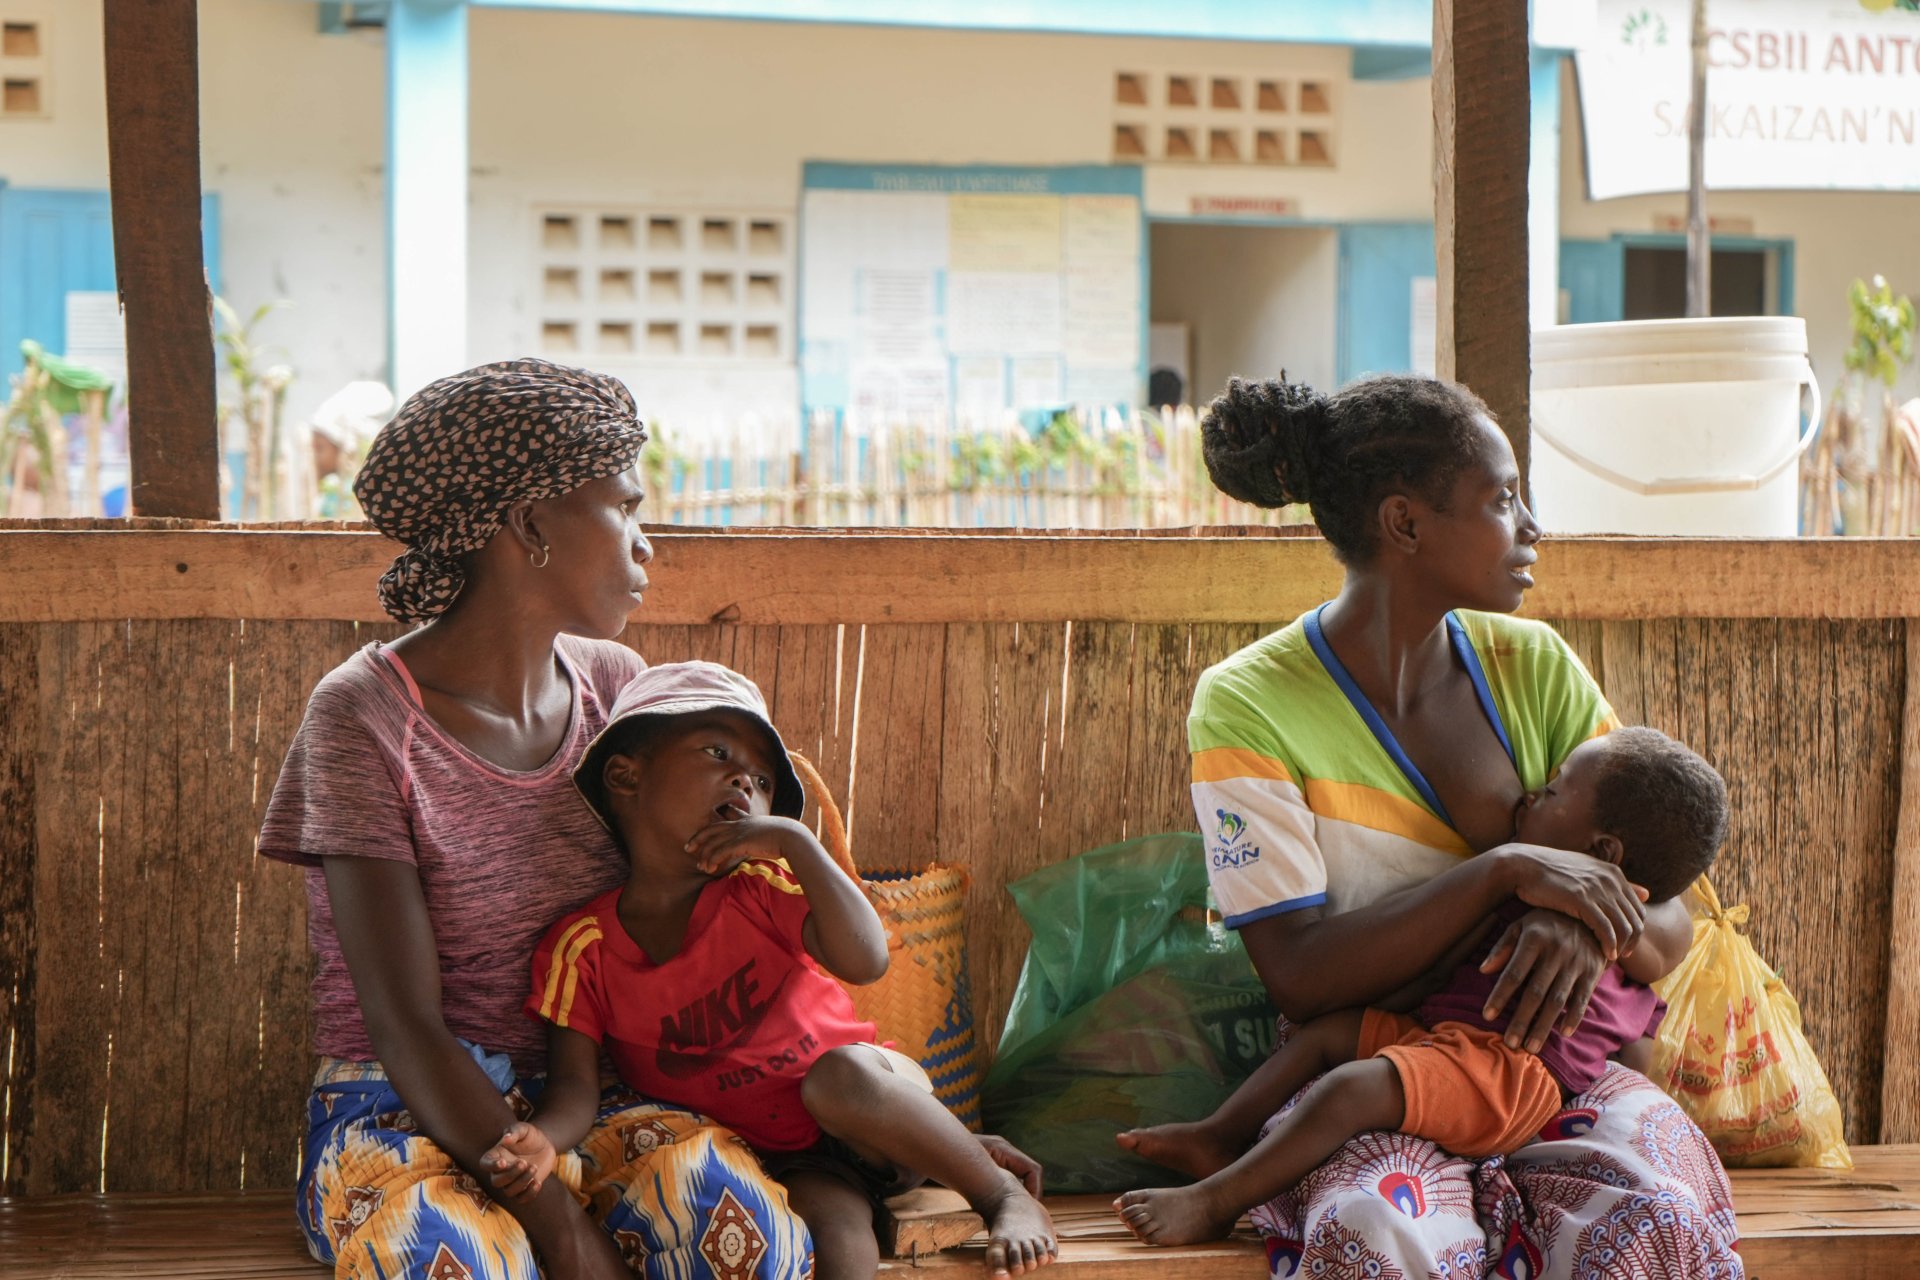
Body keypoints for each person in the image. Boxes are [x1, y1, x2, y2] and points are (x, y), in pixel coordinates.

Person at [1140, 374, 1742, 1279]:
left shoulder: (1531, 666)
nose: (1532, 525)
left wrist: (1575, 923)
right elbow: (1301, 977)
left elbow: (1669, 919)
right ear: (1406, 523)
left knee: (1649, 1215)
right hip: (1370, 1073)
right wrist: (1508, 874)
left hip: (1555, 1068)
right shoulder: (1250, 704)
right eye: (1503, 499)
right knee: (1382, 1230)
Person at [259, 360, 812, 1280]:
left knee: (745, 1231)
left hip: (595, 1086)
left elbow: (707, 921)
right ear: (528, 524)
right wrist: (563, 1229)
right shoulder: (365, 717)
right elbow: (403, 1027)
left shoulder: (617, 696)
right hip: (404, 1106)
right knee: (448, 1263)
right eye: (625, 509)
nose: (646, 544)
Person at [480, 660, 1058, 1280]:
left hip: (870, 1105)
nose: (744, 781)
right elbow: (575, 1089)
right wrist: (545, 1138)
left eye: (761, 780)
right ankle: (953, 1157)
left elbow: (866, 960)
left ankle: (1000, 1192)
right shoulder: (582, 947)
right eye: (717, 751)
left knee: (834, 1077)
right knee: (832, 1236)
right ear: (626, 776)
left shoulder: (761, 886)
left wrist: (796, 842)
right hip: (789, 1159)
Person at [1114, 727, 1727, 1245]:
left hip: (1503, 1076)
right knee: (1328, 1038)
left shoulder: (1618, 961)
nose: (1534, 792)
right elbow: (1442, 968)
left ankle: (1214, 1204)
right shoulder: (1527, 895)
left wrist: (1583, 1109)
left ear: (1601, 851)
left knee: (1350, 1088)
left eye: (1557, 788)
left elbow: (1633, 1049)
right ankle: (1219, 1136)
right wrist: (1399, 1011)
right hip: (1447, 1042)